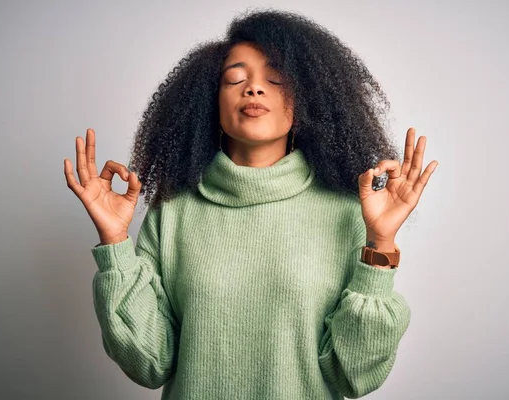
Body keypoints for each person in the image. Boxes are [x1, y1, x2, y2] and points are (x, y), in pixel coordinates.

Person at [63, 9, 437, 400]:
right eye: (235, 79)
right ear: (211, 102)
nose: (254, 89)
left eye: (275, 79)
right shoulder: (174, 209)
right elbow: (150, 363)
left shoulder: (349, 210)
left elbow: (352, 376)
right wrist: (115, 242)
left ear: (305, 99)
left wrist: (381, 241)